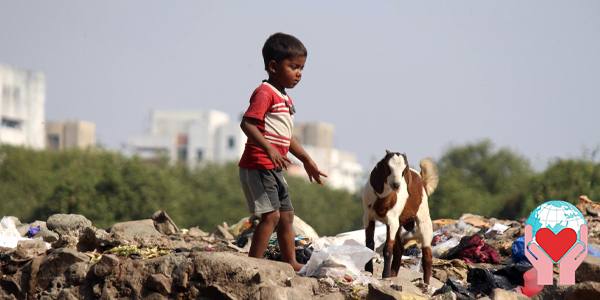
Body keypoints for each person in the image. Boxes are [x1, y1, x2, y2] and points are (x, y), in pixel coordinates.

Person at [239, 32, 327, 271]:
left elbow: (287, 137)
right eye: (293, 67)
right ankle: (254, 265)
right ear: (273, 66)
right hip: (258, 165)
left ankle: (290, 261)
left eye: (301, 68)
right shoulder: (265, 92)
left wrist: (307, 159)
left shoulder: (284, 98)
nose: (299, 73)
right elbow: (247, 123)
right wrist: (268, 148)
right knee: (271, 216)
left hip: (273, 167)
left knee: (287, 216)